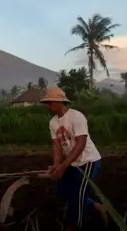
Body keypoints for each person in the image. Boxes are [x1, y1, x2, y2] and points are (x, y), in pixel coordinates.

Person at [40, 87, 108, 230]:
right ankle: (97, 206)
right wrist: (56, 165)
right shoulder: (53, 122)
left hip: (88, 161)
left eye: (51, 102)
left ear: (60, 102)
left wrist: (63, 166)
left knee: (79, 196)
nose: (49, 106)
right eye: (47, 103)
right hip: (72, 162)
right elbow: (57, 145)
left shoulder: (76, 117)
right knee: (63, 190)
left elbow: (80, 144)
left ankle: (75, 226)